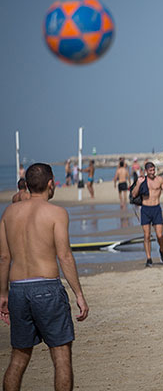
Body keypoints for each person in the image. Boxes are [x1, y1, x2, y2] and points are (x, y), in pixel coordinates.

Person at [0, 163, 89, 390]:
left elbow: (3, 258)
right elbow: (65, 256)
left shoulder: (9, 213)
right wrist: (78, 294)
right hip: (47, 288)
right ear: (51, 184)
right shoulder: (56, 213)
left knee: (18, 359)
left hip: (17, 288)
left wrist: (3, 293)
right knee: (61, 357)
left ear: (27, 185)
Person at [131, 162, 163, 267]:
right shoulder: (142, 180)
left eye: (154, 170)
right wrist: (139, 184)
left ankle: (161, 249)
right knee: (147, 236)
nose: (153, 172)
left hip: (156, 209)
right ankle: (149, 258)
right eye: (150, 171)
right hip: (145, 209)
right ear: (146, 171)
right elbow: (134, 194)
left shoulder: (160, 180)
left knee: (160, 235)